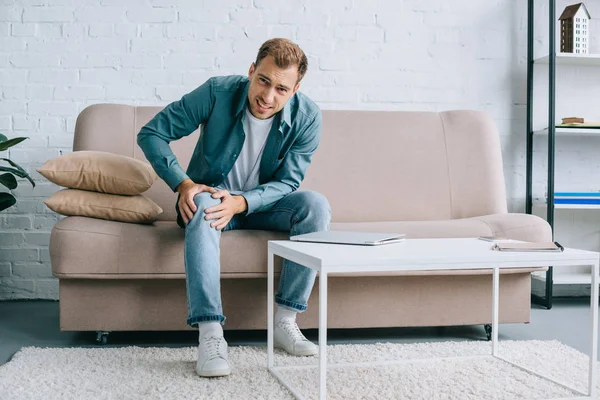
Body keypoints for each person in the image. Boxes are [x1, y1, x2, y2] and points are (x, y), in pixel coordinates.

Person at [137, 38, 331, 378]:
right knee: (203, 206)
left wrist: (242, 202)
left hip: (263, 205)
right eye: (263, 81)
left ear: (296, 88)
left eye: (282, 89)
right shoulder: (217, 92)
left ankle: (286, 322)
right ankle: (210, 335)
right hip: (211, 199)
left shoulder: (308, 116)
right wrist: (183, 184)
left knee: (316, 205)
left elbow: (288, 183)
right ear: (252, 71)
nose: (268, 97)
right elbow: (152, 133)